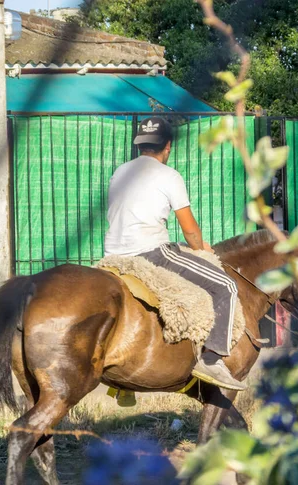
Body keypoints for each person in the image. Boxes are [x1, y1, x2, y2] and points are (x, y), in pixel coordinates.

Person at [104, 117, 245, 391]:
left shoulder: (120, 172)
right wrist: (202, 248)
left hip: (113, 254)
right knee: (227, 285)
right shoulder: (169, 175)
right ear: (167, 147)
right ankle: (212, 360)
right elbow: (190, 231)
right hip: (149, 253)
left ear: (139, 145)